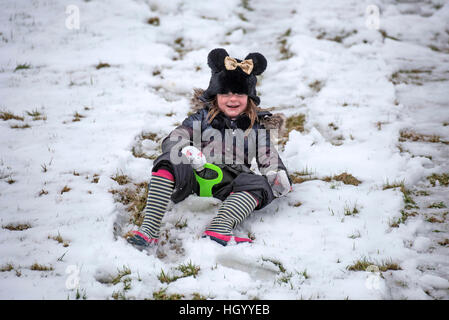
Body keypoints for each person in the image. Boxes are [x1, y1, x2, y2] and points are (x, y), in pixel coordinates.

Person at [127, 48, 292, 247]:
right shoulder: (202, 118)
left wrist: (277, 174)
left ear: (249, 98)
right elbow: (176, 136)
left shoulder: (256, 127)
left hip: (230, 182)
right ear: (215, 95)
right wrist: (185, 150)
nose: (233, 99)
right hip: (195, 174)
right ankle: (149, 229)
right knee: (169, 161)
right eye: (225, 93)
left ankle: (219, 228)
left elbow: (268, 155)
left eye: (240, 94)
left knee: (258, 184)